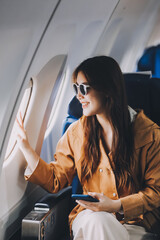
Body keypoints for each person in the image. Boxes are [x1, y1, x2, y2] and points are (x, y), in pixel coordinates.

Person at [16, 56, 160, 240]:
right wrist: (24, 146)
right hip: (89, 217)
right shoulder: (76, 133)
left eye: (84, 88)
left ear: (107, 89)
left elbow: (156, 193)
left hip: (135, 223)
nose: (78, 95)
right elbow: (55, 180)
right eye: (76, 88)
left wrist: (116, 206)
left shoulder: (150, 135)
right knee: (98, 220)